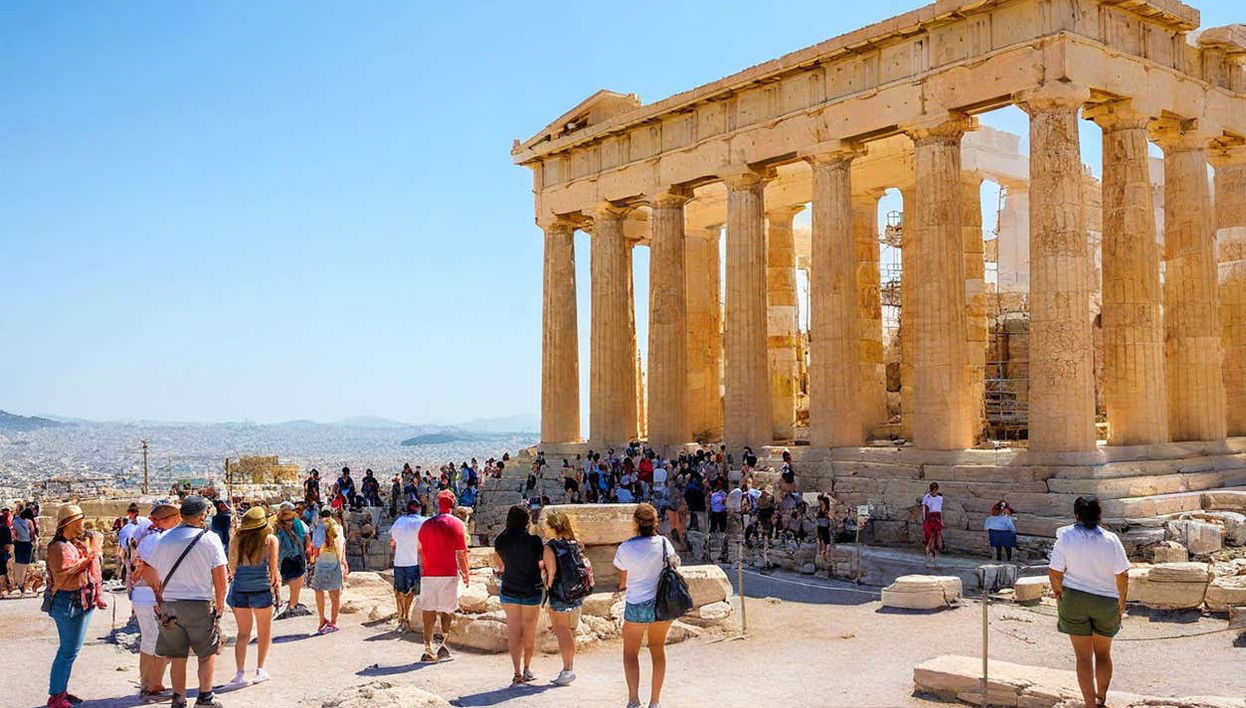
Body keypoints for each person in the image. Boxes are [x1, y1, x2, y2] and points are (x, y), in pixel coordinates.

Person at [1049, 496, 1131, 708]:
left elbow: (1054, 570)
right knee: (1103, 653)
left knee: (1083, 657)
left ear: (1076, 515)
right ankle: (1101, 697)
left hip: (1074, 599)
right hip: (1106, 601)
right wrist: (1121, 603)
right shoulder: (1111, 539)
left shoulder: (1065, 536)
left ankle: (1089, 704)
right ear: (1100, 515)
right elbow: (1122, 575)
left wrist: (1058, 593)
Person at [148, 495, 229, 708]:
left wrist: (159, 597)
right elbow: (220, 578)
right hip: (199, 604)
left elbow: (152, 571)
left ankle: (178, 698)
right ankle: (205, 698)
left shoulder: (163, 539)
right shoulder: (210, 539)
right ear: (202, 515)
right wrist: (220, 606)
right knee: (206, 653)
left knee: (177, 656)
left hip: (170, 604)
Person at [613, 504, 679, 708]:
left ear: (635, 522)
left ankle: (633, 700)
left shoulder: (626, 547)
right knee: (657, 649)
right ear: (655, 522)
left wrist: (621, 589)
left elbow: (623, 576)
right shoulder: (664, 543)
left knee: (630, 652)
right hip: (662, 603)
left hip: (637, 603)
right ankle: (655, 702)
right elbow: (674, 566)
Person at [43, 504, 99, 708]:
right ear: (68, 524)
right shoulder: (57, 547)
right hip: (67, 602)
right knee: (67, 650)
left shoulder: (73, 543)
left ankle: (61, 691)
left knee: (71, 650)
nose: (81, 526)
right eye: (78, 523)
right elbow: (63, 573)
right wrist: (89, 557)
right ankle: (56, 696)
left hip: (81, 600)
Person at [131, 500, 180, 703]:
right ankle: (154, 687)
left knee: (148, 640)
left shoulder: (145, 539)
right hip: (155, 594)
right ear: (171, 519)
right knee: (162, 642)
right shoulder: (165, 539)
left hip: (139, 595)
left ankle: (146, 684)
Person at [226, 506, 279, 685]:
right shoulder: (270, 540)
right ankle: (260, 670)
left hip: (240, 588)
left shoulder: (237, 539)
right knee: (264, 632)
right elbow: (273, 569)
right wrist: (276, 589)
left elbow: (232, 566)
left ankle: (240, 673)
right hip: (262, 589)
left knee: (243, 633)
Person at [493, 505, 544, 686]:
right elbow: (541, 563)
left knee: (514, 631)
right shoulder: (535, 541)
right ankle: (527, 668)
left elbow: (498, 562)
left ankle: (516, 673)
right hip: (531, 589)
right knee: (529, 630)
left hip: (509, 589)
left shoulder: (501, 540)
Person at [417, 490, 470, 663]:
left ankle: (427, 647)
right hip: (448, 572)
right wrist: (466, 573)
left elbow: (420, 548)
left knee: (428, 609)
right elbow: (461, 553)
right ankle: (443, 646)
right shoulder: (457, 524)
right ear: (452, 504)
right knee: (447, 609)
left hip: (429, 572)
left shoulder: (426, 525)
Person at [542, 508, 588, 687]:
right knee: (568, 630)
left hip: (559, 593)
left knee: (562, 630)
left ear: (552, 526)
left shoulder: (550, 546)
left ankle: (568, 670)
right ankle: (568, 668)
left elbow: (551, 573)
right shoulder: (574, 543)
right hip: (575, 592)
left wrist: (547, 588)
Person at [388, 499, 425, 633]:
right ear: (418, 508)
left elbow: (392, 542)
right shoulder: (421, 521)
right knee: (410, 592)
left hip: (399, 561)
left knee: (399, 591)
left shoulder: (399, 522)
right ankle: (406, 617)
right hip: (412, 561)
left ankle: (401, 617)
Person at [309, 508, 347, 635]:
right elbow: (342, 545)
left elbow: (316, 545)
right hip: (335, 561)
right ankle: (333, 622)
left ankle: (321, 620)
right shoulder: (339, 528)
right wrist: (344, 561)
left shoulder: (319, 526)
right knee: (334, 594)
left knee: (319, 590)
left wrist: (312, 557)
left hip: (322, 561)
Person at [273, 502, 311, 619]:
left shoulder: (279, 526)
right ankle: (293, 605)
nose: (290, 522)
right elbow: (306, 534)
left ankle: (292, 603)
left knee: (293, 582)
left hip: (288, 558)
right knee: (297, 580)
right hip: (293, 557)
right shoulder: (296, 523)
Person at [13, 506, 38, 595]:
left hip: (19, 543)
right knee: (26, 564)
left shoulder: (15, 521)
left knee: (18, 563)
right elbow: (32, 532)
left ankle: (19, 583)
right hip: (27, 543)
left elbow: (14, 533)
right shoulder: (29, 522)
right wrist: (31, 540)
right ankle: (24, 583)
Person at [922, 482, 945, 566]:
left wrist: (941, 520)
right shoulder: (926, 497)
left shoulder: (939, 498)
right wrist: (924, 520)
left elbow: (940, 509)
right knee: (929, 535)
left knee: (937, 535)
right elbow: (924, 509)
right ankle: (930, 551)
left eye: (935, 490)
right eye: (933, 490)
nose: (934, 492)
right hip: (929, 517)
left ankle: (935, 553)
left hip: (937, 517)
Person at [0, 505, 13, 594]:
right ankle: (3, 589)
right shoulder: (5, 528)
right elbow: (8, 544)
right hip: (2, 552)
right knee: (2, 570)